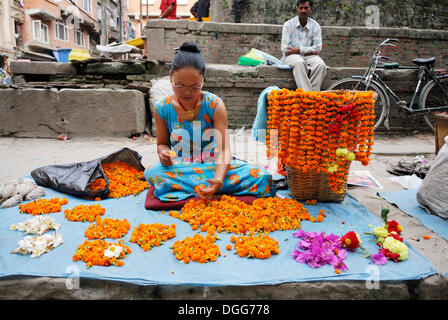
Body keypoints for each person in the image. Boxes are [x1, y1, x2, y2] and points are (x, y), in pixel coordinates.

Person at [144, 42, 275, 202]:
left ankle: (202, 187)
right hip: (181, 167)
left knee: (262, 177)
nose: (186, 92)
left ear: (203, 81)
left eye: (194, 87)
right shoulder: (162, 108)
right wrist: (163, 153)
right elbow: (162, 144)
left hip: (213, 165)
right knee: (152, 173)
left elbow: (225, 151)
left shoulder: (214, 104)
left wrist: (219, 179)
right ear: (171, 77)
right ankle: (210, 187)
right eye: (179, 85)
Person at [281, 0, 327, 91]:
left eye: (306, 8)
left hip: (308, 56)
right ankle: (310, 97)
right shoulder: (288, 25)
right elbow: (285, 49)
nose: (303, 11)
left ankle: (309, 97)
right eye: (301, 8)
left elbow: (318, 48)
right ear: (297, 10)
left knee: (321, 65)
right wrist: (308, 50)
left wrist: (298, 50)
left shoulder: (315, 26)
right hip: (291, 56)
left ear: (310, 10)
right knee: (299, 62)